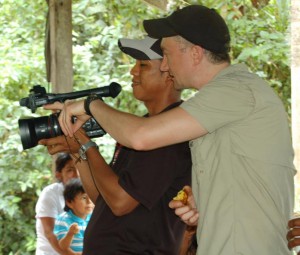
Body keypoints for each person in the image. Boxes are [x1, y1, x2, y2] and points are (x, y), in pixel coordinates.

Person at [44, 5, 296, 255]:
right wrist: (202, 205)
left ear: (195, 53)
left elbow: (140, 136)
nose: (164, 65)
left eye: (166, 54)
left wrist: (91, 104)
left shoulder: (238, 89)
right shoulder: (213, 110)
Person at [39, 36, 192, 254]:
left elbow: (120, 202)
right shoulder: (142, 128)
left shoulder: (169, 132)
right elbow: (104, 198)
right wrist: (77, 150)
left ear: (169, 73)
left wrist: (86, 144)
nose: (133, 71)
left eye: (143, 65)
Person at [35, 153, 79, 255]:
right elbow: (50, 233)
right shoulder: (50, 193)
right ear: (58, 174)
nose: (77, 174)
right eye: (70, 170)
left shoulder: (87, 194)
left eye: (79, 168)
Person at [54, 178, 94, 254]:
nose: (89, 202)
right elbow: (62, 247)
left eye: (91, 196)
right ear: (70, 202)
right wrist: (70, 233)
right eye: (84, 197)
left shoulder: (94, 218)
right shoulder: (63, 220)